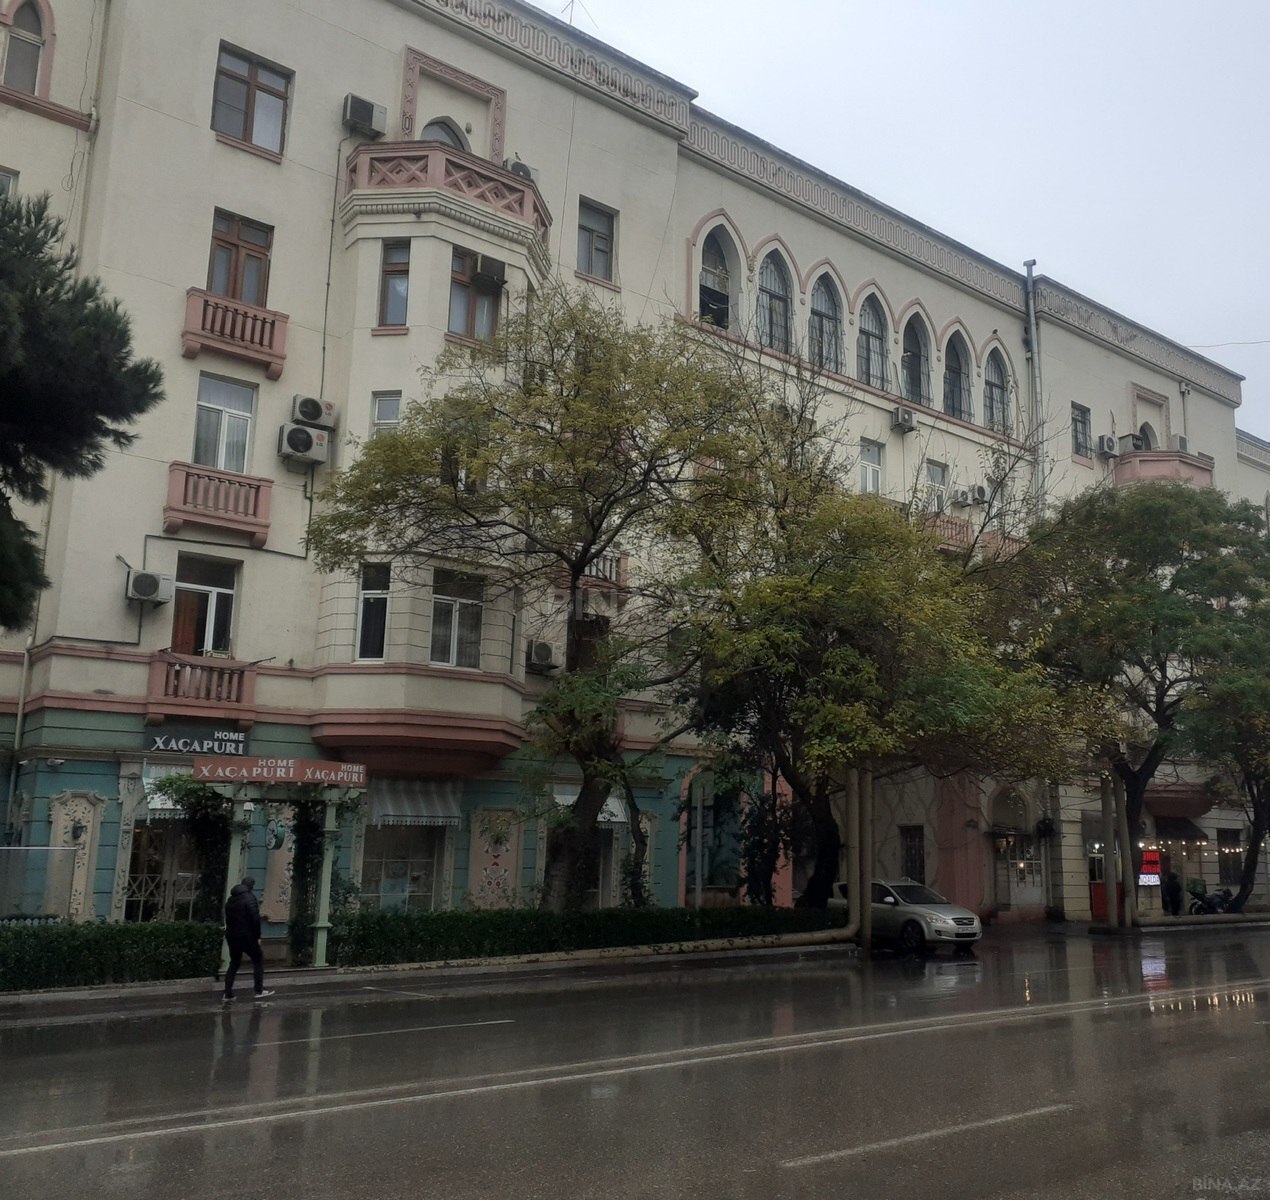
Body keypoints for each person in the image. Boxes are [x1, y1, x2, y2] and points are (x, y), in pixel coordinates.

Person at [222, 876, 275, 1003]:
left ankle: (227, 994)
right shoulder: (250, 898)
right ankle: (259, 990)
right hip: (247, 937)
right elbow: (255, 919)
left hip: (232, 936)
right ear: (251, 886)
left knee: (234, 963)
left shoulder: (230, 900)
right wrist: (257, 937)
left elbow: (228, 919)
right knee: (258, 960)